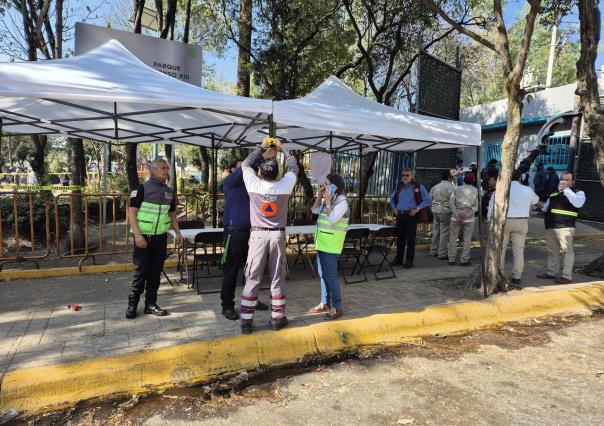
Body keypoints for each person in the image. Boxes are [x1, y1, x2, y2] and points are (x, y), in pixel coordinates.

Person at [239, 137, 298, 334]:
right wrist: (283, 149)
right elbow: (294, 168)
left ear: (260, 173)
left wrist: (262, 147)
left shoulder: (253, 184)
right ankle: (277, 318)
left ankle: (246, 322)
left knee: (253, 277)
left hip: (257, 236)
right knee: (276, 277)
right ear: (276, 174)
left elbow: (246, 163)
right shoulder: (285, 185)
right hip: (277, 237)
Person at [126, 159, 182, 319]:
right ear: (152, 171)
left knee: (155, 273)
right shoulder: (141, 189)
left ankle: (150, 304)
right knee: (140, 273)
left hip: (160, 238)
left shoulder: (169, 192)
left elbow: (172, 216)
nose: (166, 171)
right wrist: (137, 235)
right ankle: (132, 305)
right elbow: (132, 213)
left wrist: (178, 233)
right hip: (143, 238)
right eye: (163, 168)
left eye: (167, 168)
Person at [220, 156, 273, 321]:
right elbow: (245, 167)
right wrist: (261, 156)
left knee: (252, 270)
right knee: (231, 271)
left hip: (253, 233)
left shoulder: (253, 187)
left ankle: (251, 299)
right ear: (234, 171)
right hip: (234, 233)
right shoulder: (229, 183)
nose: (246, 171)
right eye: (242, 169)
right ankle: (227, 305)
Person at [307, 174, 349, 320]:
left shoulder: (342, 202)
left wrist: (329, 201)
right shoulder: (328, 200)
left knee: (331, 277)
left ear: (335, 186)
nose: (324, 186)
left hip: (331, 246)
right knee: (323, 275)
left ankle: (337, 307)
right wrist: (320, 197)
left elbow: (332, 220)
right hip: (322, 244)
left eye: (326, 184)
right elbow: (314, 210)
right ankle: (325, 303)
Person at [488, 170, 539, 285]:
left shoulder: (502, 189)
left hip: (504, 221)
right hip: (522, 222)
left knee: (501, 249)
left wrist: (490, 221)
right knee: (519, 250)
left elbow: (492, 206)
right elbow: (536, 200)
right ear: (520, 177)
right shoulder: (527, 189)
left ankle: (499, 274)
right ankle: (517, 276)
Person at [537, 172, 586, 284]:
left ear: (573, 182)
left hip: (565, 226)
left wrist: (566, 190)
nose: (563, 181)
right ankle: (551, 273)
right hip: (551, 226)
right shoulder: (554, 193)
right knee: (552, 251)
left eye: (567, 180)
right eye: (562, 179)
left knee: (567, 251)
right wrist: (540, 205)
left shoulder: (578, 192)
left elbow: (578, 203)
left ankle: (567, 276)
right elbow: (546, 207)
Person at [390, 168, 431, 268]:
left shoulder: (418, 186)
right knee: (400, 238)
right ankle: (398, 259)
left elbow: (428, 200)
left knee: (410, 239)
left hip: (411, 215)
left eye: (407, 175)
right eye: (403, 175)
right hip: (400, 215)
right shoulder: (399, 186)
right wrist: (394, 207)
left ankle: (409, 260)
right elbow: (392, 198)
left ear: (412, 176)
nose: (404, 177)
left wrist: (418, 209)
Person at [448, 173, 478, 266]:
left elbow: (451, 203)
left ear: (464, 180)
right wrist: (466, 215)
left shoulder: (456, 189)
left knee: (453, 238)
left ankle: (451, 259)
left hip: (455, 218)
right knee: (467, 239)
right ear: (473, 181)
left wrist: (457, 215)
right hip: (469, 219)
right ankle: (464, 259)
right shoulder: (476, 191)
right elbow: (476, 207)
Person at [429, 170, 454, 259]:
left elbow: (429, 199)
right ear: (449, 178)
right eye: (451, 177)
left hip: (435, 211)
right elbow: (453, 201)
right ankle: (442, 253)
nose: (452, 179)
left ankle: (433, 251)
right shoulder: (452, 187)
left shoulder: (435, 187)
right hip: (445, 211)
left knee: (436, 231)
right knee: (444, 232)